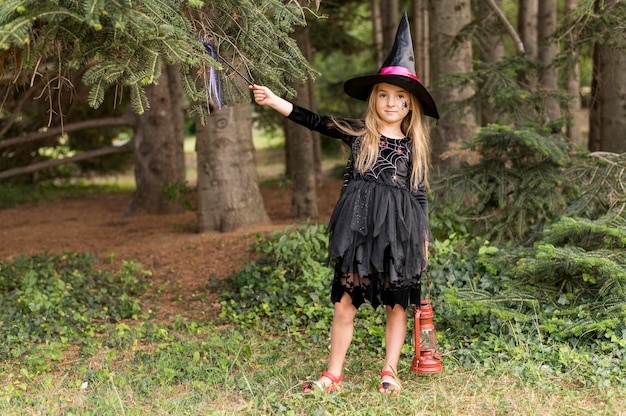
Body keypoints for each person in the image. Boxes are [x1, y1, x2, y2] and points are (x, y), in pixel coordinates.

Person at [250, 12, 439, 396]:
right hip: (359, 228)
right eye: (384, 94)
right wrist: (274, 101)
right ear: (375, 98)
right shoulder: (359, 133)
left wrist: (422, 238)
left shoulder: (413, 147)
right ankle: (333, 374)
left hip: (399, 233)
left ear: (410, 107)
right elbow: (315, 121)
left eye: (400, 97)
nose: (391, 102)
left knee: (397, 306)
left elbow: (418, 195)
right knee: (344, 304)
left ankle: (390, 371)